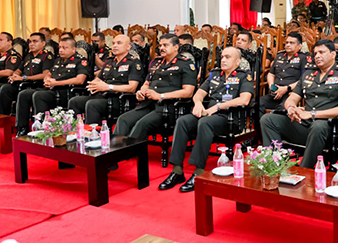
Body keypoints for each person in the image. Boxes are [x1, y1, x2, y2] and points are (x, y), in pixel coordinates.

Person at [158, 47, 253, 192]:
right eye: (222, 57)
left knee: (204, 122)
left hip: (229, 119)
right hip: (208, 114)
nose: (223, 60)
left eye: (228, 57)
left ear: (237, 61)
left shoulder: (244, 76)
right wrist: (198, 103)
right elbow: (199, 94)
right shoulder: (215, 74)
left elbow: (245, 100)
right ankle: (177, 171)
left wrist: (219, 106)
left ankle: (198, 172)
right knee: (182, 121)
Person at [260, 39, 338, 168]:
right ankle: (274, 166)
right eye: (315, 53)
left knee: (318, 126)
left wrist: (312, 114)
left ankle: (304, 169)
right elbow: (292, 98)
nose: (317, 56)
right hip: (305, 125)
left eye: (322, 52)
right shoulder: (309, 72)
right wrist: (291, 109)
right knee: (268, 120)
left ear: (333, 54)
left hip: (330, 127)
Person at [114, 34, 197, 141]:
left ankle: (130, 149)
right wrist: (141, 91)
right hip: (148, 104)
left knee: (141, 124)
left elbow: (188, 92)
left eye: (165, 45)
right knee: (123, 119)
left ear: (176, 47)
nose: (161, 48)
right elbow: (147, 83)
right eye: (160, 45)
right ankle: (116, 148)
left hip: (168, 107)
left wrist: (161, 96)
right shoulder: (156, 63)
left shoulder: (185, 64)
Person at [14, 38, 90, 136]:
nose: (61, 50)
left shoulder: (80, 60)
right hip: (52, 89)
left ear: (73, 49)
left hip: (65, 91)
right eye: (60, 47)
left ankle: (43, 129)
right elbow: (48, 74)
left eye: (65, 48)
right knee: (24, 94)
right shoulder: (58, 60)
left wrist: (57, 83)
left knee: (39, 95)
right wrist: (47, 79)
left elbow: (80, 80)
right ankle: (22, 128)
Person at [68, 35, 142, 124]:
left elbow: (132, 88)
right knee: (74, 101)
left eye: (119, 43)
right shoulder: (110, 61)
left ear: (128, 47)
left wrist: (108, 87)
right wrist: (93, 84)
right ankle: (75, 128)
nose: (115, 46)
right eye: (113, 43)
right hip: (102, 95)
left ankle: (92, 131)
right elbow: (98, 79)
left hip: (118, 99)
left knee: (92, 104)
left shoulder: (134, 62)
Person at [0, 32, 53, 121]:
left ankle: (17, 123)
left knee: (16, 91)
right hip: (22, 83)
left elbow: (45, 75)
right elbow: (19, 70)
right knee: (4, 88)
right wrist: (14, 75)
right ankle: (0, 118)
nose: (31, 44)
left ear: (43, 43)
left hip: (35, 85)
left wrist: (24, 78)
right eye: (30, 42)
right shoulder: (28, 56)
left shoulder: (47, 56)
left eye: (35, 41)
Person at [259, 32, 308, 116]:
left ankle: (272, 122)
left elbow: (304, 79)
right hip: (275, 93)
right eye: (287, 42)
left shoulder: (304, 58)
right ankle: (262, 124)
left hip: (291, 94)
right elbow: (271, 74)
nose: (288, 45)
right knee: (257, 104)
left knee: (281, 110)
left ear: (299, 46)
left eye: (292, 43)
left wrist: (286, 88)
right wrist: (272, 86)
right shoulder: (279, 56)